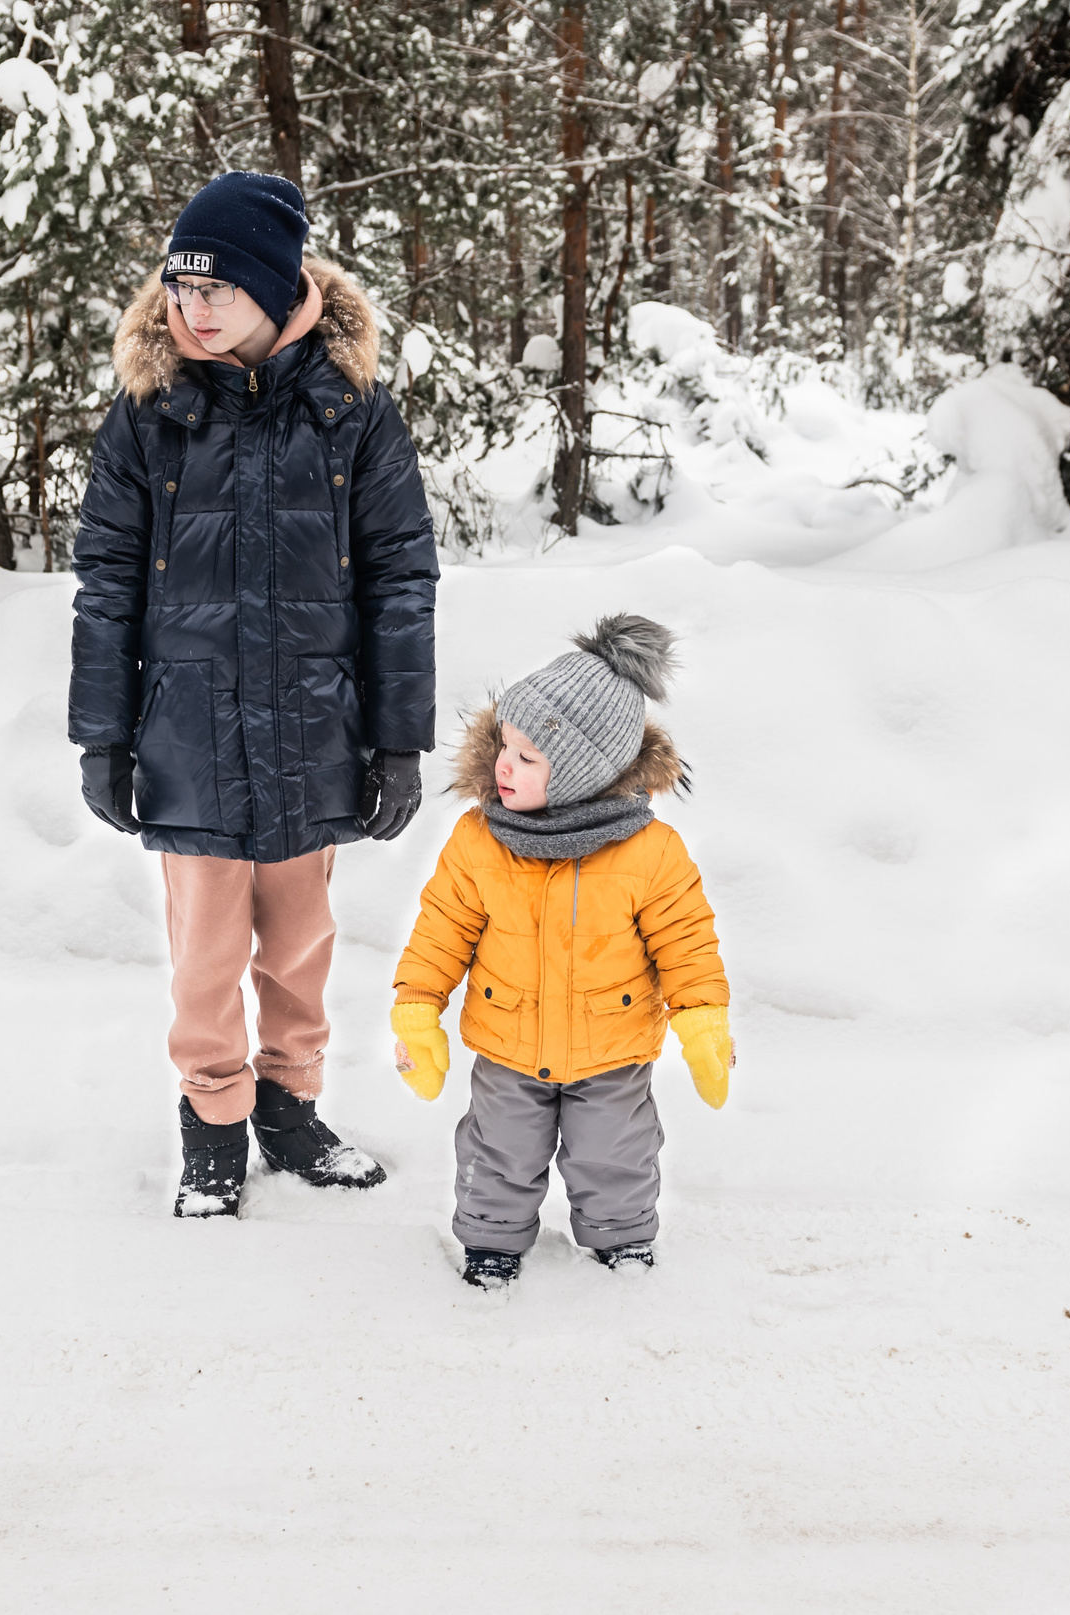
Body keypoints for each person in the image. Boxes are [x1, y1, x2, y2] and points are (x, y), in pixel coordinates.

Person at [68, 171, 440, 1219]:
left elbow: (401, 577)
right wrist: (103, 736)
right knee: (205, 952)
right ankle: (214, 1124)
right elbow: (105, 580)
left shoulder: (352, 413)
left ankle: (290, 1107)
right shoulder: (150, 415)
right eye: (179, 286)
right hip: (186, 729)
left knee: (301, 945)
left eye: (217, 287)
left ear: (275, 290)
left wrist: (396, 740)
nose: (192, 306)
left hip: (317, 723)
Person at [386, 616, 735, 1287]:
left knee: (617, 1151)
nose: (503, 766)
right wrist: (417, 1006)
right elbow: (441, 927)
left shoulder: (649, 852)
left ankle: (621, 1239)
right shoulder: (480, 839)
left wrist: (702, 1020)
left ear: (581, 774)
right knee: (497, 1150)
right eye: (504, 747)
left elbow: (686, 941)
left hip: (613, 1048)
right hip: (508, 1043)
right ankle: (491, 1240)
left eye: (528, 758)